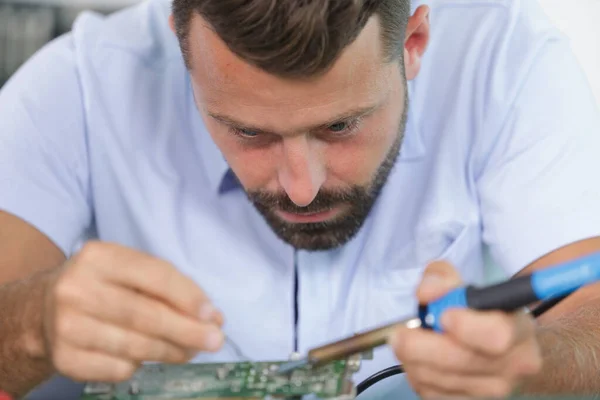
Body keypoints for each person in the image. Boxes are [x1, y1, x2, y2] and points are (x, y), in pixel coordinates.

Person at [1, 0, 600, 398]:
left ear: (413, 42)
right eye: (248, 131)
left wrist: (537, 362)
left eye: (341, 126)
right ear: (182, 47)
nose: (301, 186)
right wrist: (33, 324)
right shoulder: (81, 84)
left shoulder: (504, 62)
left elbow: (591, 312)